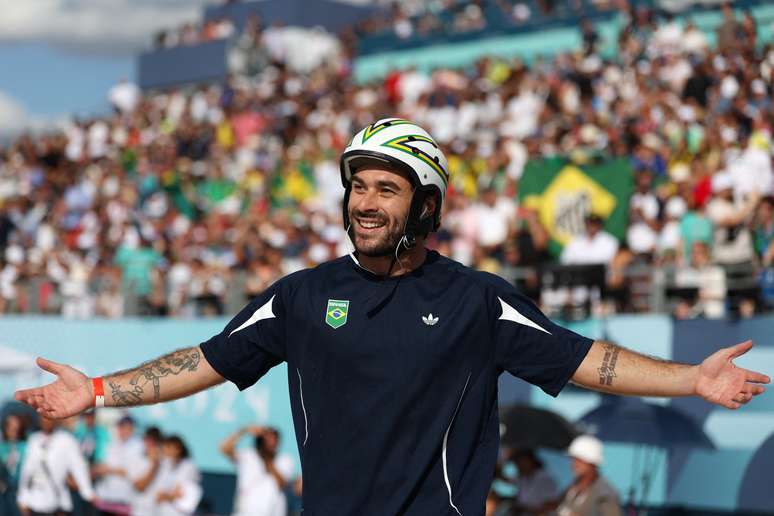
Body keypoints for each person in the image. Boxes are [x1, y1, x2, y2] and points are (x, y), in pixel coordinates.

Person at [15, 119, 770, 515]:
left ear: (428, 205)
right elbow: (205, 360)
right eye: (358, 187)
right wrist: (102, 391)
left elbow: (584, 358)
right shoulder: (300, 296)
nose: (364, 203)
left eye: (386, 188)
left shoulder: (479, 298)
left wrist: (689, 380)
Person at [16, 415, 95, 516]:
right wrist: (22, 498)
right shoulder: (34, 440)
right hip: (35, 502)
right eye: (43, 417)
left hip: (58, 503)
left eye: (48, 417)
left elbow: (78, 466)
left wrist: (88, 492)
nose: (45, 421)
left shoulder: (66, 440)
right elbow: (27, 471)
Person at [220, 425, 295, 516]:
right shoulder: (249, 455)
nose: (270, 443)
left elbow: (282, 483)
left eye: (273, 439)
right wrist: (244, 430)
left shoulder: (284, 460)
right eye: (267, 439)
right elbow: (224, 448)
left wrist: (267, 458)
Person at [556, 435, 621, 516]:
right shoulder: (573, 488)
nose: (574, 464)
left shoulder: (605, 494)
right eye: (574, 459)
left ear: (592, 462)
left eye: (579, 460)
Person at [93, 415, 143, 515]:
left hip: (124, 500)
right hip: (106, 499)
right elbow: (102, 466)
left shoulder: (138, 446)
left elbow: (128, 472)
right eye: (121, 427)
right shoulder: (112, 444)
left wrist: (109, 470)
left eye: (126, 427)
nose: (122, 430)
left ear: (132, 429)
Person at [154, 435, 201, 516]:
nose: (165, 450)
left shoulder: (189, 466)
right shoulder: (164, 464)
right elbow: (158, 494)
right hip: (162, 512)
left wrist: (166, 496)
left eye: (169, 447)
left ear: (178, 449)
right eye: (165, 447)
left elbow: (180, 493)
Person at [129, 427, 168, 516]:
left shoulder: (166, 461)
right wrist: (155, 466)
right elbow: (140, 487)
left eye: (155, 440)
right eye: (148, 439)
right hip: (141, 512)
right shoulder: (136, 460)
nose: (151, 443)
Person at [510, 449, 557, 515]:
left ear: (529, 461)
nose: (518, 467)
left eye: (519, 462)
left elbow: (550, 507)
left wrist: (523, 508)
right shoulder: (523, 479)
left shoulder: (544, 479)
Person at [1, 413, 29, 516]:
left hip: (19, 493)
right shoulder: (2, 447)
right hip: (3, 494)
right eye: (11, 427)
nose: (14, 430)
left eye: (17, 427)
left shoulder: (25, 447)